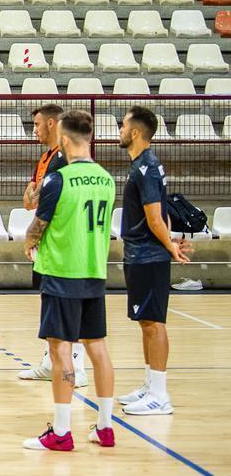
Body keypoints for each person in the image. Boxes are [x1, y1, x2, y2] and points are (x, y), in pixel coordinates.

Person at [22, 109, 117, 451]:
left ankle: (61, 432)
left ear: (63, 139)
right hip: (94, 271)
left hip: (62, 272)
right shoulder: (106, 178)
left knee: (61, 351)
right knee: (98, 349)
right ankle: (105, 428)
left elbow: (39, 224)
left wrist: (29, 244)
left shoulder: (57, 179)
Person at [116, 105, 192, 415]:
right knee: (147, 322)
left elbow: (154, 218)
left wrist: (170, 247)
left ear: (135, 132)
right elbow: (162, 215)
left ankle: (160, 394)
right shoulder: (145, 165)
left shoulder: (146, 167)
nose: (119, 131)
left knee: (153, 324)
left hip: (148, 256)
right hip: (141, 254)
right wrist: (170, 241)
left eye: (123, 126)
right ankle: (151, 384)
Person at [19, 104, 87, 386]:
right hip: (47, 244)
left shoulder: (64, 158)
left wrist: (34, 201)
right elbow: (29, 199)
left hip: (63, 242)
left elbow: (43, 198)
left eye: (36, 124)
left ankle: (78, 366)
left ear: (50, 124)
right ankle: (50, 362)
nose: (33, 130)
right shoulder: (46, 157)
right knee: (48, 301)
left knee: (67, 304)